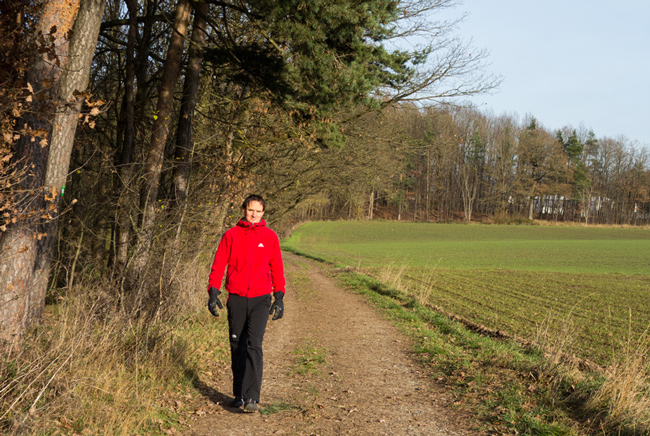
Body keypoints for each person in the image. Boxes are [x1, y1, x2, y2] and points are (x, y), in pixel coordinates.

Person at [206, 194, 285, 413]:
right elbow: (219, 264)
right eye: (251, 210)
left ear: (263, 213)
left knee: (254, 344)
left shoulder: (270, 237)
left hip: (261, 298)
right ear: (243, 210)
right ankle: (238, 394)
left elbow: (277, 266)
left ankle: (252, 397)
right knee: (237, 345)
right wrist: (213, 293)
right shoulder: (231, 235)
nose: (254, 215)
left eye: (258, 211)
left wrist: (279, 296)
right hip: (237, 298)